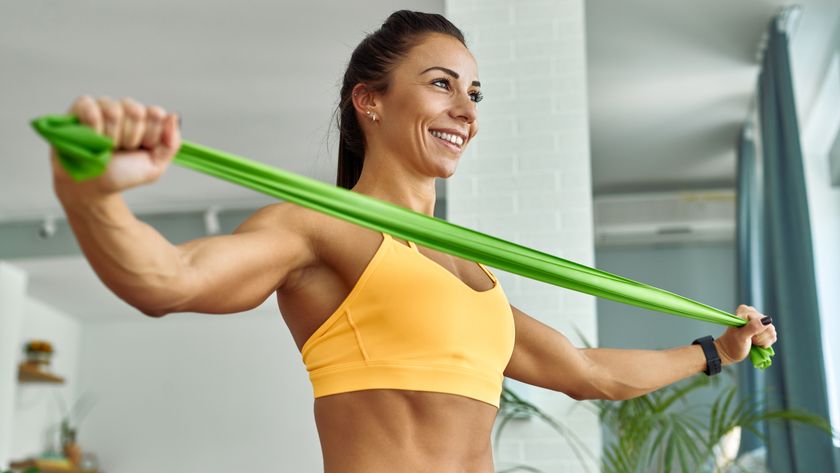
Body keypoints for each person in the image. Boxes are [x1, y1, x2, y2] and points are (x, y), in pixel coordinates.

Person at [50, 10, 777, 473]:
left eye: (474, 91)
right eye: (441, 84)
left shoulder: (471, 268)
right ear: (370, 100)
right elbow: (167, 279)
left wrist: (716, 350)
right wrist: (89, 190)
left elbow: (587, 369)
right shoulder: (317, 226)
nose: (466, 109)